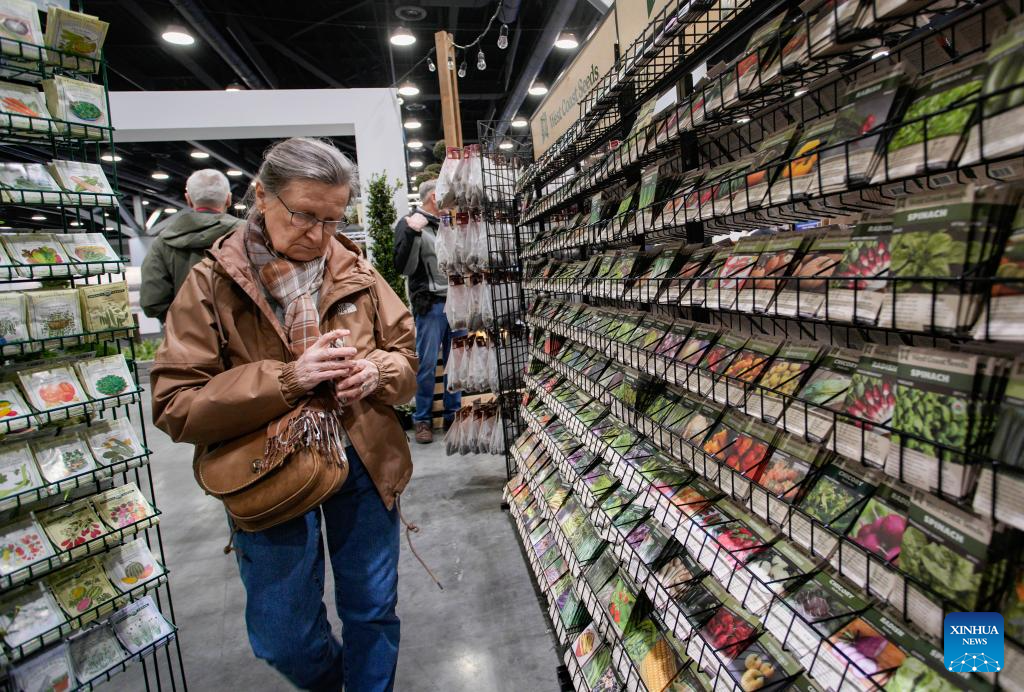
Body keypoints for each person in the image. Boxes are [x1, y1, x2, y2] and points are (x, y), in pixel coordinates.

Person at [151, 138, 417, 692]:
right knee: (283, 636)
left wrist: (377, 373)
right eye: (304, 215)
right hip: (264, 466)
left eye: (333, 219)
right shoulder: (212, 283)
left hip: (365, 457)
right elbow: (175, 402)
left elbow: (406, 359)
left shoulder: (356, 271)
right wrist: (288, 380)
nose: (318, 235)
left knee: (373, 609)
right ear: (262, 197)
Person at [393, 178, 461, 444]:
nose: (452, 201)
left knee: (456, 362)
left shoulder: (448, 223)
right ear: (434, 196)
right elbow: (404, 268)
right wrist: (413, 233)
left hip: (457, 303)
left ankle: (453, 415)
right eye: (448, 195)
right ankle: (422, 419)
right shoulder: (410, 224)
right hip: (430, 305)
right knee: (427, 364)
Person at [140, 168, 244, 322]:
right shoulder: (249, 234)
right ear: (228, 199)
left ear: (188, 199)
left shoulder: (162, 242)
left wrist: (183, 323)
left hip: (186, 332)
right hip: (244, 332)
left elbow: (152, 301)